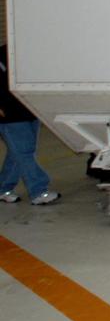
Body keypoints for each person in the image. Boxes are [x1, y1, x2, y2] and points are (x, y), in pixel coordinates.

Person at [0, 45, 60, 206]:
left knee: (17, 153)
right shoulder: (2, 55)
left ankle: (3, 188)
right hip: (9, 116)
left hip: (30, 111)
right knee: (25, 152)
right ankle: (39, 191)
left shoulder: (26, 55)